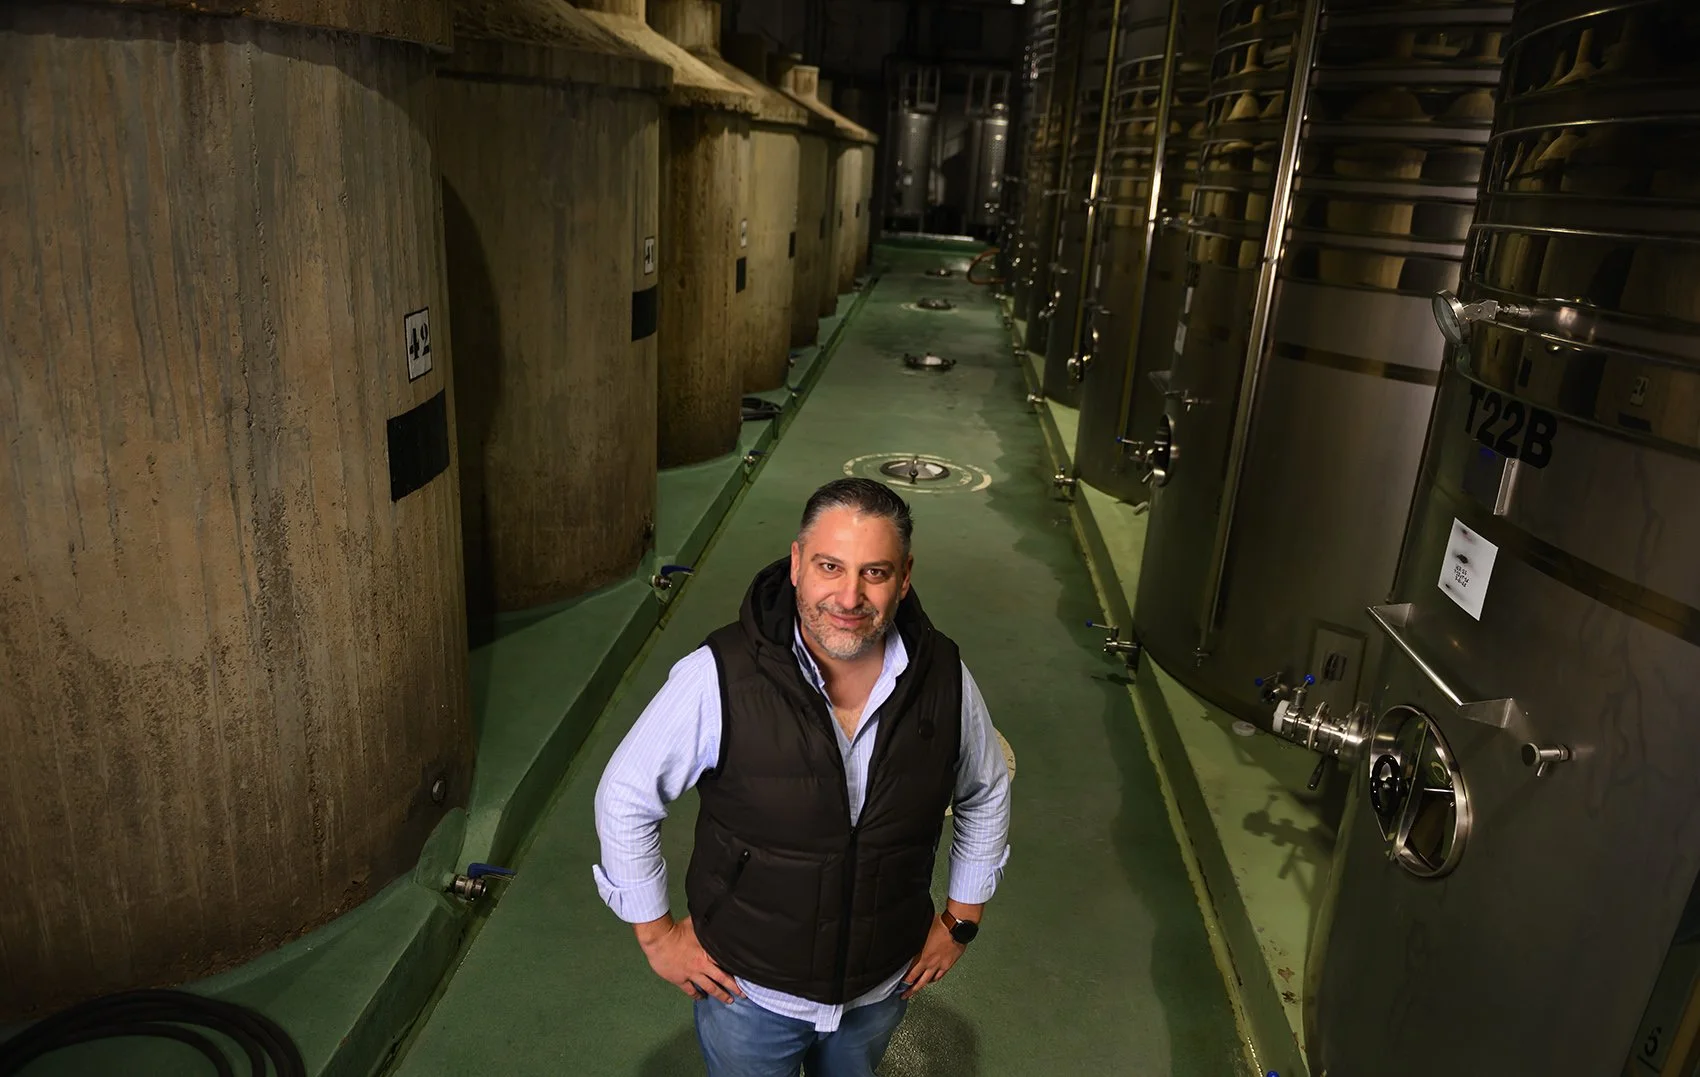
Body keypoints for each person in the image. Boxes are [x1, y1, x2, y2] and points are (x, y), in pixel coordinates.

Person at [593, 477, 1013, 1077]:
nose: (848, 596)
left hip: (880, 988)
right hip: (749, 993)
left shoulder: (942, 675)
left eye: (874, 572)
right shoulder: (721, 674)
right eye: (829, 566)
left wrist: (961, 919)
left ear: (905, 576)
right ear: (795, 564)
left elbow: (985, 790)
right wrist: (657, 936)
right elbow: (626, 796)